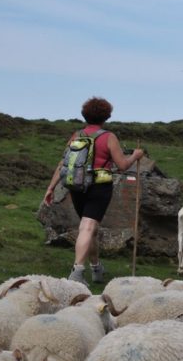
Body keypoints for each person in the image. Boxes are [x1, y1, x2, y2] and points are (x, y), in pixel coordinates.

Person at [43, 97, 144, 285]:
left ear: (85, 114)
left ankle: (96, 267)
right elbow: (122, 165)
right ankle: (77, 272)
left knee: (91, 230)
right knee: (87, 227)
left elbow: (63, 164)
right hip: (99, 187)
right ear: (106, 116)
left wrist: (51, 187)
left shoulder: (77, 135)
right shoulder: (108, 137)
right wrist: (135, 155)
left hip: (77, 186)